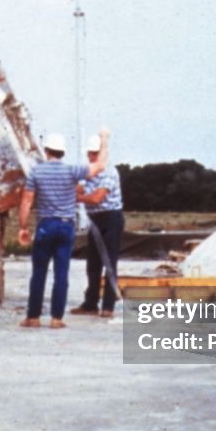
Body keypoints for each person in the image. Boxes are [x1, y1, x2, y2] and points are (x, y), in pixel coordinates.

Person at [18, 129, 110, 328]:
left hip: (45, 225)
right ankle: (56, 318)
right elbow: (99, 165)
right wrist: (103, 139)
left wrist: (23, 227)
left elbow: (26, 201)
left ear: (47, 151)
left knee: (39, 272)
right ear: (63, 152)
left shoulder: (36, 171)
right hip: (66, 225)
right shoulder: (72, 171)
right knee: (61, 274)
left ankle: (33, 317)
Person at [71, 134, 125, 318]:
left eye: (95, 153)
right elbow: (78, 187)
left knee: (109, 262)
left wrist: (79, 197)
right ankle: (90, 303)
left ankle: (108, 305)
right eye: (90, 153)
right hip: (95, 219)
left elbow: (97, 197)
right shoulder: (88, 172)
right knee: (93, 264)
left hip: (111, 218)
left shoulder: (110, 171)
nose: (92, 157)